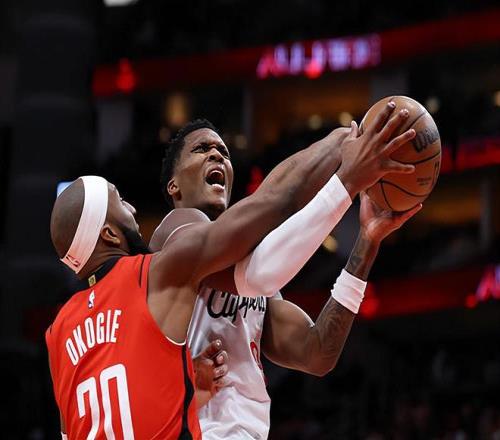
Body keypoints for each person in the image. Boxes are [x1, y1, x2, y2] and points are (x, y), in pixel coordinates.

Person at [150, 104, 420, 439]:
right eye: (201, 149)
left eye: (224, 152)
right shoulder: (175, 232)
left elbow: (317, 353)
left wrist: (367, 241)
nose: (216, 155)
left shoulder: (251, 267)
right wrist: (344, 146)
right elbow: (275, 200)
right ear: (174, 186)